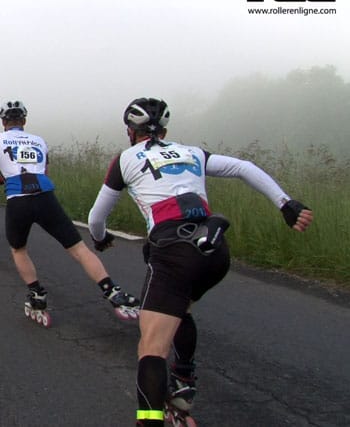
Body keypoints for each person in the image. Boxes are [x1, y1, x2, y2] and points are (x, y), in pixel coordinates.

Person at [86, 97, 313, 426]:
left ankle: (151, 419)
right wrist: (285, 203)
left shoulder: (124, 159)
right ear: (164, 130)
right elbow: (243, 168)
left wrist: (100, 237)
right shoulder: (192, 152)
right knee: (180, 309)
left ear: (129, 131)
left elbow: (96, 217)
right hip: (213, 251)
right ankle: (183, 380)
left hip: (174, 250)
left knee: (151, 346)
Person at [0, 100, 140, 322]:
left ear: (3, 122)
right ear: (24, 121)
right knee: (78, 249)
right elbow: (41, 171)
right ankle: (112, 290)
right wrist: (4, 176)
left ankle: (37, 294)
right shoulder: (39, 141)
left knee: (19, 249)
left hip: (19, 200)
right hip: (45, 197)